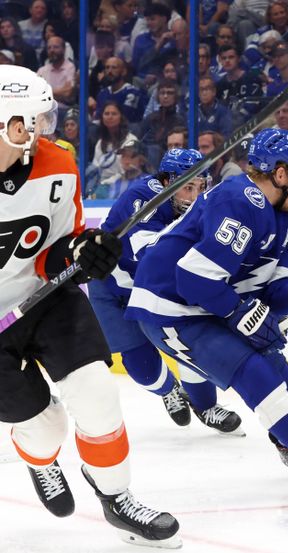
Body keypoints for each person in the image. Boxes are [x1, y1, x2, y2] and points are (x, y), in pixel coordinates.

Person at [125, 128, 288, 494]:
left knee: (283, 380)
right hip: (170, 308)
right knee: (255, 372)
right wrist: (238, 312)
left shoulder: (281, 219)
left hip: (205, 303)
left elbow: (269, 286)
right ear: (280, 173)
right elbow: (193, 280)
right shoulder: (240, 200)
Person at [0, 65, 180, 547]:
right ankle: (41, 459)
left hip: (42, 300)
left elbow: (57, 250)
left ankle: (117, 497)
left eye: (42, 119)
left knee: (98, 394)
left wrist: (81, 254)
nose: (39, 131)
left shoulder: (57, 163)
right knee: (46, 428)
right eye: (27, 122)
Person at [87, 148, 245, 435]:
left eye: (201, 186)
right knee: (140, 365)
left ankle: (206, 407)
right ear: (164, 183)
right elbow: (147, 254)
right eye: (187, 187)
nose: (195, 195)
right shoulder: (141, 199)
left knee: (189, 342)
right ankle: (168, 390)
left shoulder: (202, 206)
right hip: (112, 287)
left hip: (156, 287)